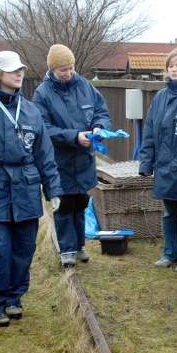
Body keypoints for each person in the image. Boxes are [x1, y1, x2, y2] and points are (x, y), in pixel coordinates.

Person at [0, 51, 63, 327]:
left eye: (20, 69)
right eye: (11, 70)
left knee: (23, 248)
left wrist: (53, 189)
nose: (18, 74)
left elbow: (44, 152)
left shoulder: (30, 110)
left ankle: (13, 298)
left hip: (26, 187)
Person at [32, 44, 112, 268]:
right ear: (52, 70)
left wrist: (99, 128)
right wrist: (73, 136)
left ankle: (79, 245)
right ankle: (66, 249)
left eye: (71, 68)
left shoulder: (85, 86)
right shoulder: (42, 94)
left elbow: (101, 112)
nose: (68, 73)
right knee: (64, 204)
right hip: (60, 161)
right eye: (62, 70)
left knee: (80, 202)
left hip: (84, 159)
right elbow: (43, 128)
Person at [138, 48, 177, 273]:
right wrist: (146, 162)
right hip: (164, 167)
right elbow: (149, 131)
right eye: (171, 66)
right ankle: (169, 253)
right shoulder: (160, 97)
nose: (174, 70)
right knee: (168, 214)